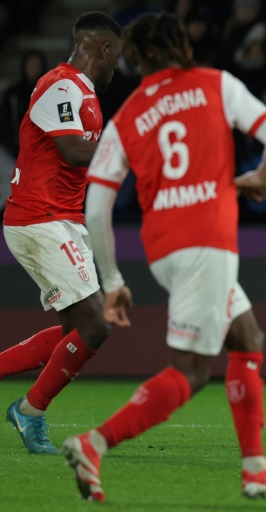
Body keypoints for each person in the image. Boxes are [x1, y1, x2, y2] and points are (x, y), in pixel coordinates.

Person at [61, 12, 266, 501]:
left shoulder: (128, 114)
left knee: (246, 336)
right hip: (207, 242)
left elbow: (96, 208)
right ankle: (94, 443)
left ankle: (256, 468)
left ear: (136, 57)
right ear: (179, 43)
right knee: (192, 370)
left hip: (163, 248)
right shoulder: (216, 84)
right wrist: (261, 177)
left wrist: (112, 280)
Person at [1, 11, 122, 454]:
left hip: (62, 220)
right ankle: (29, 412)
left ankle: (28, 411)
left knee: (79, 329)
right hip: (39, 218)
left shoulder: (85, 94)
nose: (116, 68)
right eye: (116, 57)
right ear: (104, 50)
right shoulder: (61, 84)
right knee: (95, 325)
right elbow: (72, 150)